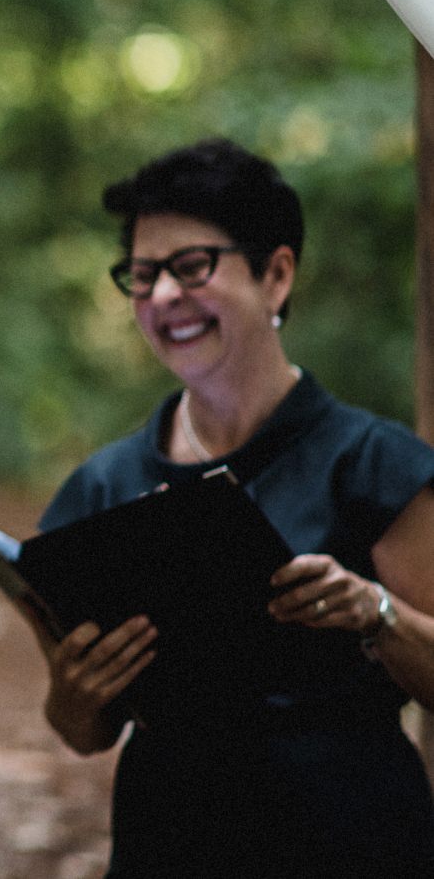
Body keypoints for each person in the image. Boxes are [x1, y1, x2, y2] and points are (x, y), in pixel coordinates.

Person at [30, 137, 434, 878]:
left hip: (353, 838)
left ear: (276, 275)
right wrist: (74, 693)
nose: (161, 299)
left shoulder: (376, 465)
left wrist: (375, 610)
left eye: (191, 268)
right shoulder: (101, 487)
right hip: (169, 840)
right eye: (143, 276)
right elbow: (81, 731)